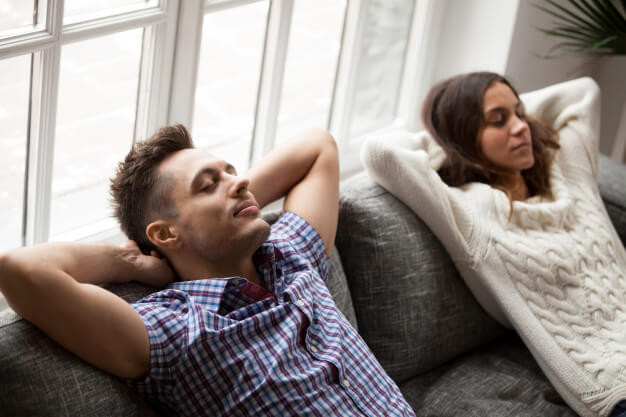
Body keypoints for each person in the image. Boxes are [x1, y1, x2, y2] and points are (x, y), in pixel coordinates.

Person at [0, 125, 415, 417]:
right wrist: (133, 262)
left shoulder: (291, 252)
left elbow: (317, 145)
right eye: (207, 184)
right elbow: (19, 269)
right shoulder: (174, 330)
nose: (238, 182)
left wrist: (232, 197)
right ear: (165, 233)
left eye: (231, 171)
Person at [361, 73, 626, 417]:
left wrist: (505, 112)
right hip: (615, 383)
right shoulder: (474, 213)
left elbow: (583, 91)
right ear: (464, 136)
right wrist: (451, 137)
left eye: (521, 114)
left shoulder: (569, 174)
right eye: (498, 121)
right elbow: (382, 153)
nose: (520, 128)